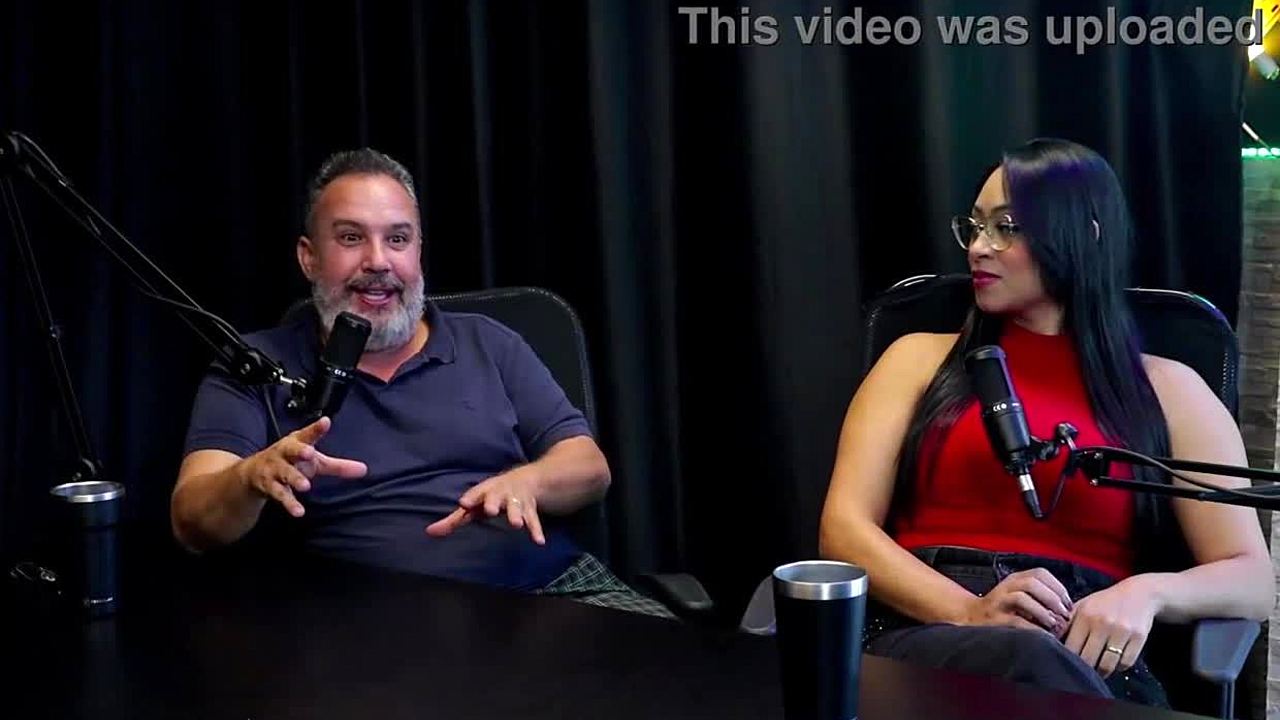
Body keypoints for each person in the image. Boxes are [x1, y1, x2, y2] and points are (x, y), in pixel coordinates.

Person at [817, 138, 1274, 706]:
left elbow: (1251, 579)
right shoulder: (916, 359)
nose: (979, 248)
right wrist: (970, 610)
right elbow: (843, 530)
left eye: (1006, 227)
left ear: (1085, 235)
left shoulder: (1169, 388)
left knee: (1043, 663)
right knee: (1027, 659)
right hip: (925, 631)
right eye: (975, 227)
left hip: (1082, 647)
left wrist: (1148, 593)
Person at [170, 148, 672, 619]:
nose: (378, 261)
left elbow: (589, 467)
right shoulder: (256, 365)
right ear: (309, 257)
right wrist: (249, 478)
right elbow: (191, 523)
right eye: (351, 238)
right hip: (364, 623)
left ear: (418, 252)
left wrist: (529, 482)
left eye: (397, 239)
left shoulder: (490, 343)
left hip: (552, 593)